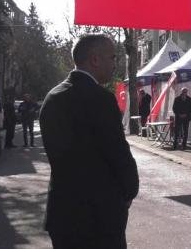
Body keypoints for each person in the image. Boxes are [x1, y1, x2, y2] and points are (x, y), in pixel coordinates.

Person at [39, 34, 139, 249]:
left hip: (63, 214)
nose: (115, 64)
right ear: (95, 59)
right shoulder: (101, 99)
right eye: (112, 58)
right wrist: (129, 190)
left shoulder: (52, 98)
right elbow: (118, 153)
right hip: (99, 218)